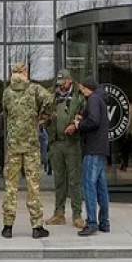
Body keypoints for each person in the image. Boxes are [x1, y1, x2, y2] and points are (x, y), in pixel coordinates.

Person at [1, 62, 54, 239]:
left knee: (11, 187)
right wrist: (42, 117)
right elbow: (50, 100)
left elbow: (6, 112)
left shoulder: (7, 92)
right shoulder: (34, 89)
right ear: (24, 72)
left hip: (14, 145)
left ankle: (7, 226)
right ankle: (37, 226)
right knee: (33, 186)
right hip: (31, 146)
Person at [45, 68, 85, 229]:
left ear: (70, 80)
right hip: (56, 143)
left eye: (63, 83)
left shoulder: (79, 96)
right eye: (58, 84)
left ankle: (77, 215)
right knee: (59, 180)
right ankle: (59, 213)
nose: (61, 86)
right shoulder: (51, 96)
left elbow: (84, 113)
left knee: (74, 181)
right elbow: (43, 113)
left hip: (72, 143)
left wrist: (75, 125)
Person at [71, 77, 110, 236]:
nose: (80, 90)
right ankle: (104, 222)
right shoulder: (100, 99)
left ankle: (92, 222)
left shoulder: (93, 99)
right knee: (101, 187)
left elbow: (93, 121)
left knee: (88, 186)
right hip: (101, 149)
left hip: (92, 148)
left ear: (87, 87)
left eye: (81, 87)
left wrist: (80, 124)